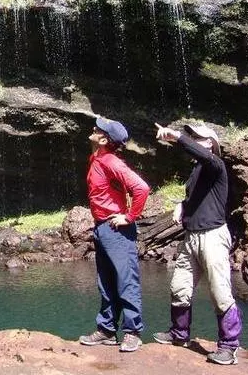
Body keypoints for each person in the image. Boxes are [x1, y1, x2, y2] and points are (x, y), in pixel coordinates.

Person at [152, 123, 242, 366]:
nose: (193, 139)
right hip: (191, 236)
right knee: (179, 287)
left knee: (219, 292)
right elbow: (198, 198)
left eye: (198, 137)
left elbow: (200, 153)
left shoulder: (216, 165)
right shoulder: (198, 171)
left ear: (211, 143)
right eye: (191, 135)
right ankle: (179, 334)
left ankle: (229, 347)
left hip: (213, 236)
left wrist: (178, 138)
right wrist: (183, 204)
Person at [79, 117, 150, 353]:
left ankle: (133, 332)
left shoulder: (110, 161)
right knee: (106, 281)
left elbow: (141, 188)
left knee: (125, 280)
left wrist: (129, 217)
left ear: (104, 139)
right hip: (102, 227)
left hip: (117, 228)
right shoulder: (97, 157)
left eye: (98, 129)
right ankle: (107, 330)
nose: (93, 128)